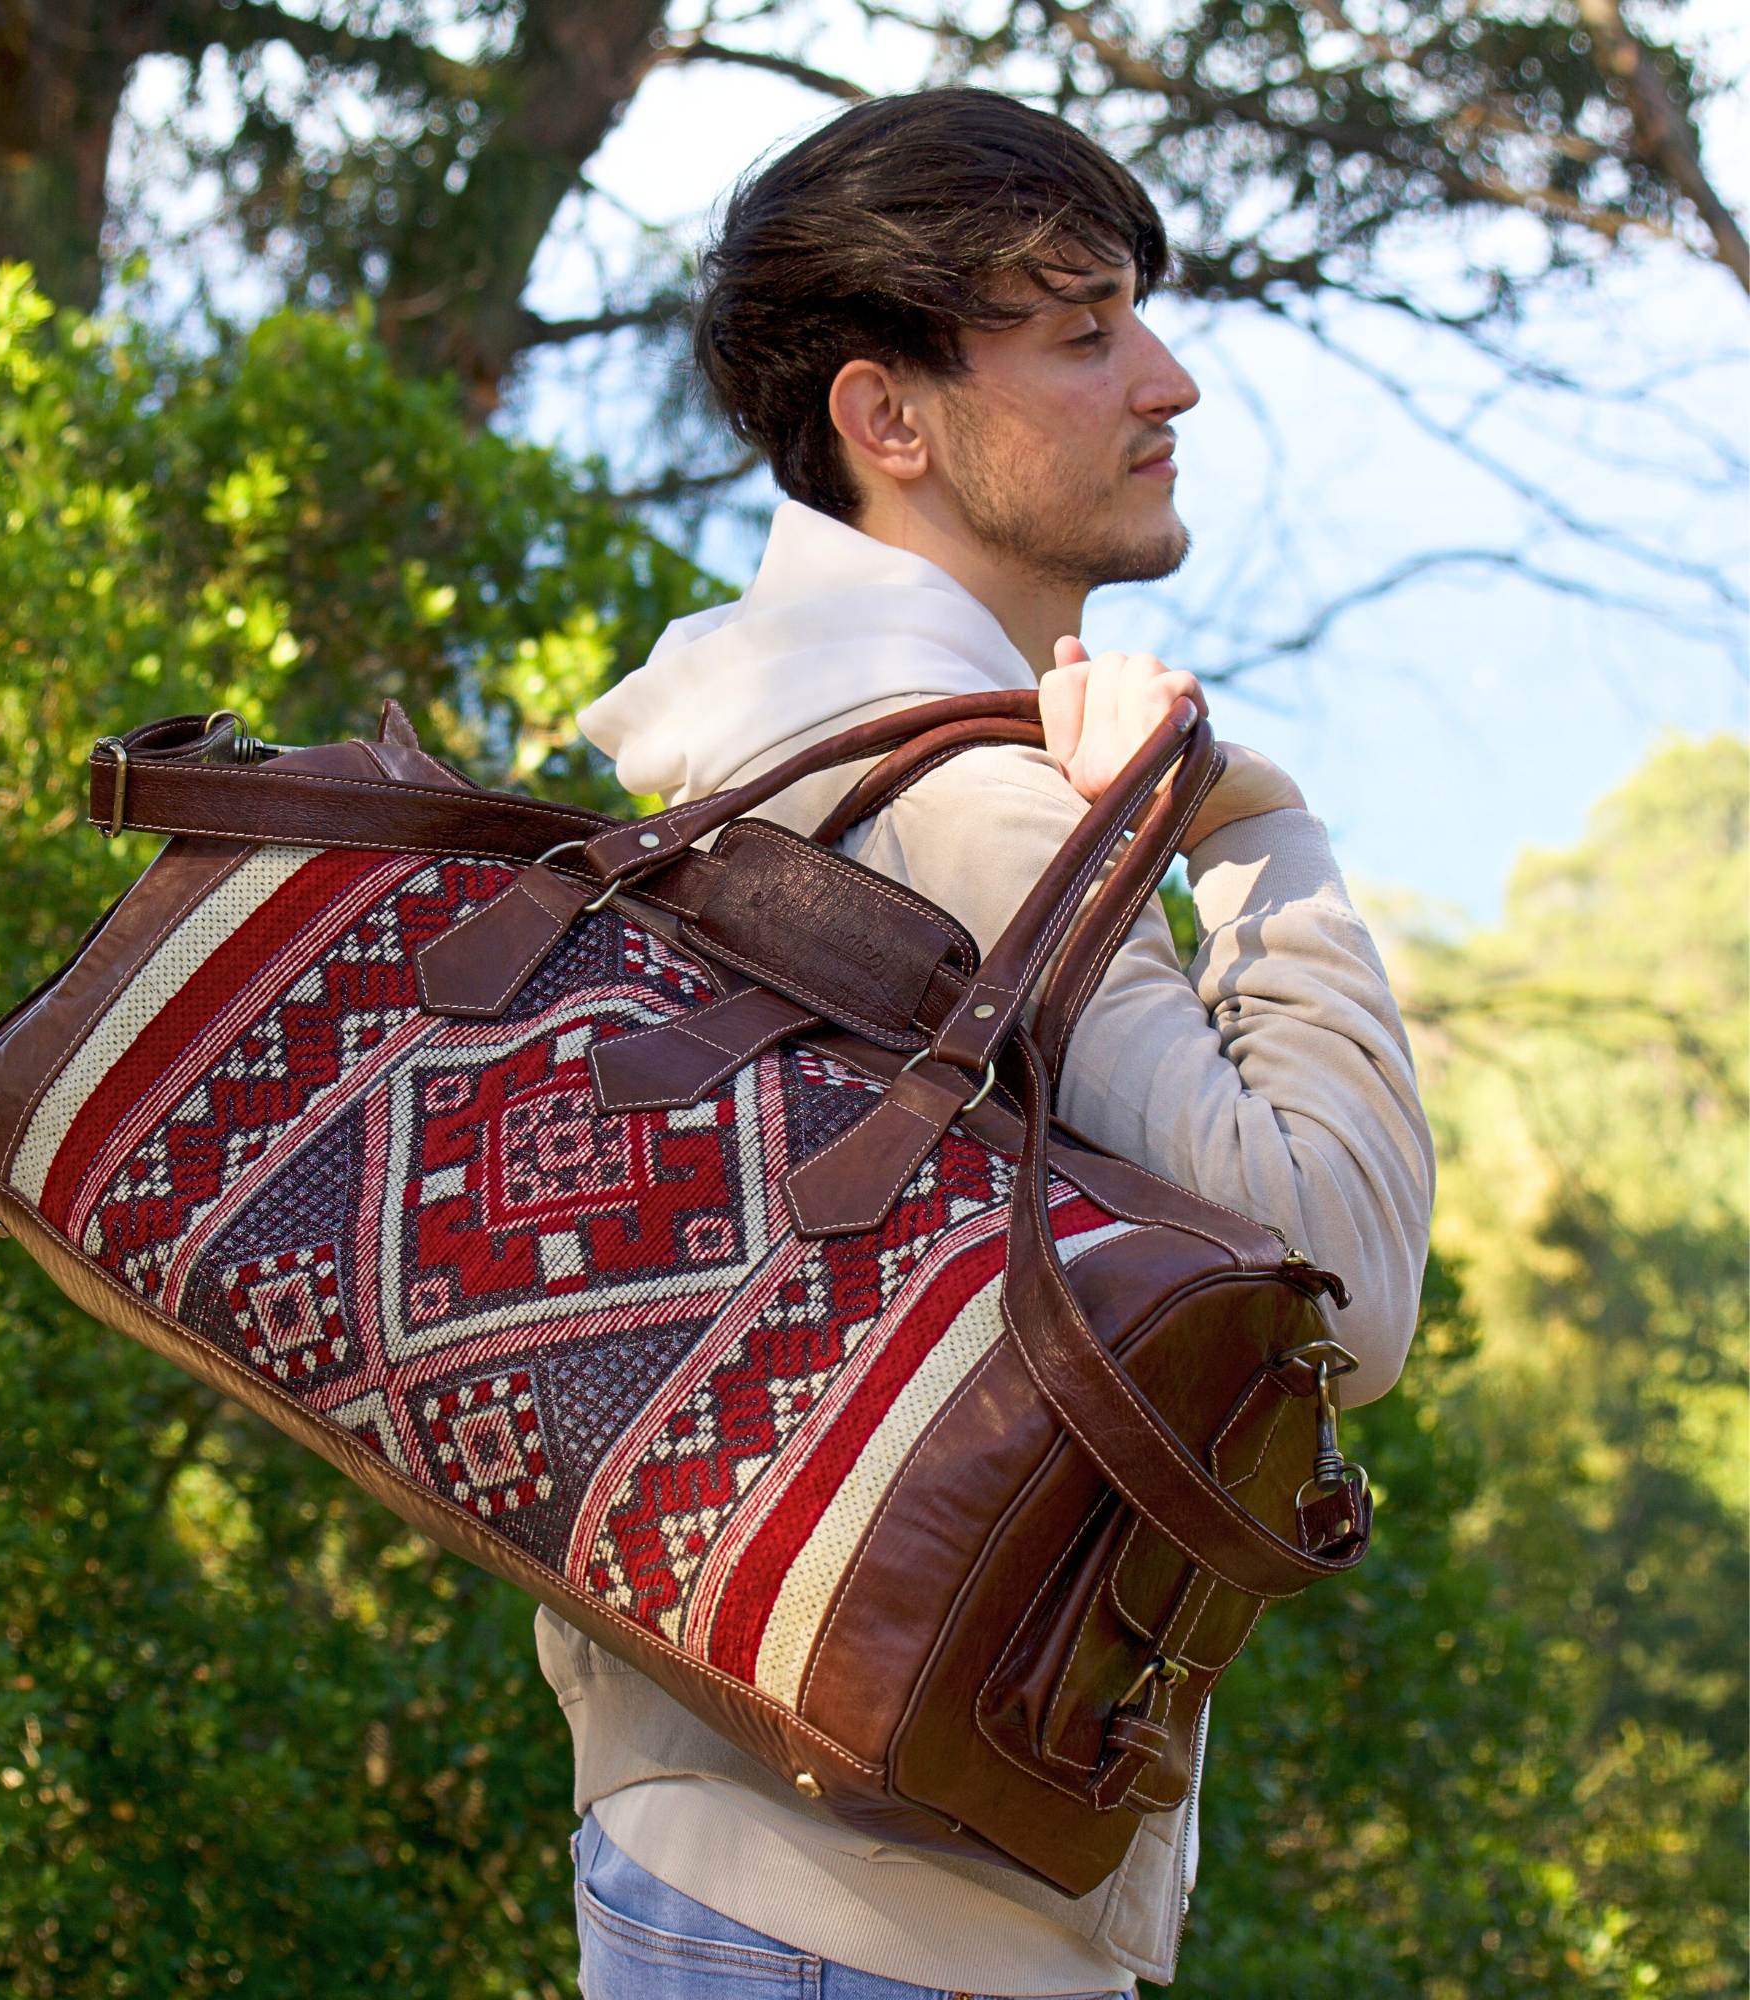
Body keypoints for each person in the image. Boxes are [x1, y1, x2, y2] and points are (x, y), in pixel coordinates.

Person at [543, 84, 1436, 1999]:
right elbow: (1335, 1282)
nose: (1169, 380)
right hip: (892, 1918)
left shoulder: (748, 741)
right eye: (1084, 326)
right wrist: (1251, 830)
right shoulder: (963, 803)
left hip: (709, 1845)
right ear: (890, 418)